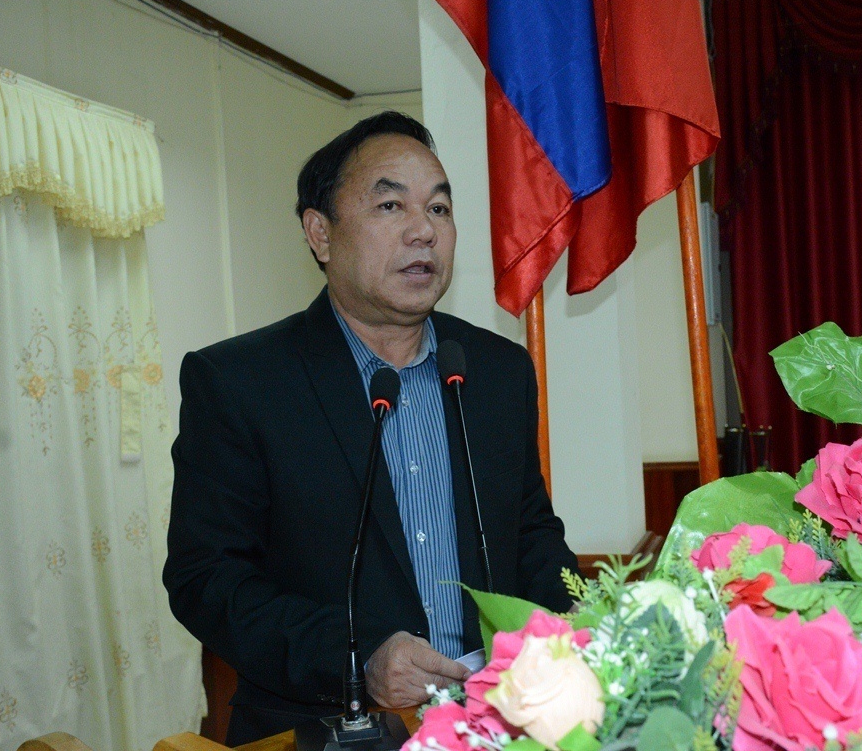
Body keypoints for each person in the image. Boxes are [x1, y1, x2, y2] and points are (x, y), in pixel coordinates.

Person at [163, 111, 578, 745]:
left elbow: (529, 531)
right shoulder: (239, 381)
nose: (423, 231)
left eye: (439, 209)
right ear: (320, 234)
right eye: (391, 205)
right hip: (326, 729)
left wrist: (577, 622)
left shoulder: (497, 370)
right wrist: (357, 660)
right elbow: (207, 580)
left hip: (498, 722)